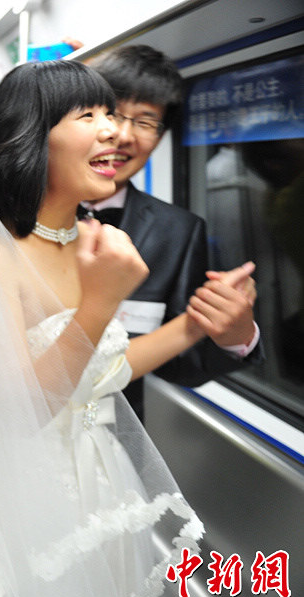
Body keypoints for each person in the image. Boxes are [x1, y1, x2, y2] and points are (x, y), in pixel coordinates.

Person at [0, 59, 217, 597]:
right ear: (33, 136)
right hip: (25, 486)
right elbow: (16, 411)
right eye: (91, 114)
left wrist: (197, 323)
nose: (115, 130)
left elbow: (99, 374)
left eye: (117, 114)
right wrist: (100, 303)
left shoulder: (95, 239)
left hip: (103, 477)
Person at [86, 45, 261, 417]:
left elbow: (179, 364)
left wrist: (235, 336)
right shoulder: (11, 212)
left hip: (110, 445)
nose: (123, 135)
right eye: (112, 114)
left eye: (146, 122)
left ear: (161, 137)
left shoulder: (178, 232)